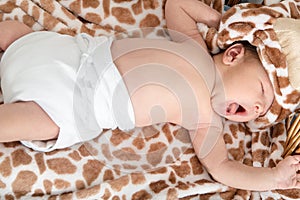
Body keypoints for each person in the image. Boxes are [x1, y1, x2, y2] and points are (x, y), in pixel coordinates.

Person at [0, 0, 299, 192]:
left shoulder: (204, 119)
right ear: (233, 54)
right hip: (73, 53)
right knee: (15, 34)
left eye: (263, 110)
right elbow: (177, 6)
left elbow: (223, 168)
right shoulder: (193, 45)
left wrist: (272, 178)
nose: (259, 107)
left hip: (70, 102)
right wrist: (223, 22)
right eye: (261, 89)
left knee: (28, 120)